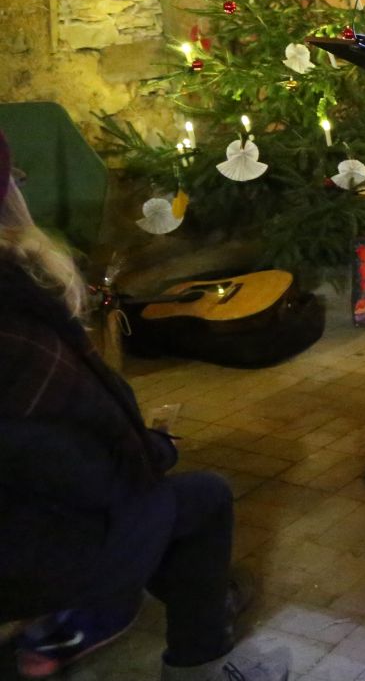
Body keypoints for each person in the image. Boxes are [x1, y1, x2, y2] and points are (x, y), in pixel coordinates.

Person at [0, 131, 286, 681]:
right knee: (201, 499)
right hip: (25, 548)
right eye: (13, 182)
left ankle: (72, 626)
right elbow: (70, 459)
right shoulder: (15, 312)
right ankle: (195, 660)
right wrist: (153, 452)